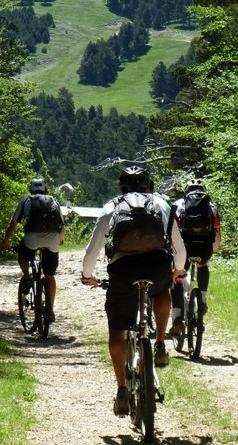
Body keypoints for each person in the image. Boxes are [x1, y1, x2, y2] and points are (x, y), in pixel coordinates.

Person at [81, 166, 187, 416]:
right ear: (148, 186)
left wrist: (88, 275)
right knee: (162, 292)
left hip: (123, 268)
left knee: (117, 327)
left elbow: (93, 248)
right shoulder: (161, 204)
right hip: (157, 264)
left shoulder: (112, 206)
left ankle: (121, 390)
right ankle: (160, 343)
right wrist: (178, 271)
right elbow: (179, 248)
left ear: (122, 188)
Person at [2, 177, 65, 322]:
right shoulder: (53, 200)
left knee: (23, 254)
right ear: (45, 190)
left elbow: (13, 224)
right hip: (53, 240)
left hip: (32, 240)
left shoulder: (26, 200)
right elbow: (62, 226)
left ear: (30, 189)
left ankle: (28, 277)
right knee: (50, 276)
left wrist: (5, 242)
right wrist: (59, 241)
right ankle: (50, 309)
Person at [169, 179, 221, 335]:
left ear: (186, 192)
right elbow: (217, 232)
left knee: (177, 276)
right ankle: (202, 299)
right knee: (202, 266)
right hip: (204, 248)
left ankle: (178, 318)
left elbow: (171, 230)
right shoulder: (212, 207)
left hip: (184, 248)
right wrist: (214, 250)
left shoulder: (178, 204)